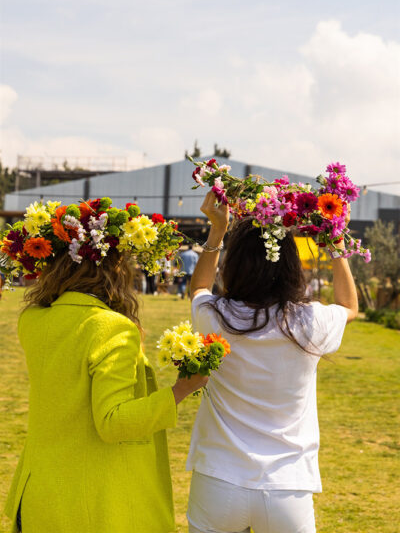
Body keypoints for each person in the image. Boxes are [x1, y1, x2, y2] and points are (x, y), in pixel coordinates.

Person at [4, 201, 207, 533]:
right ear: (114, 269)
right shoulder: (112, 328)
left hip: (39, 495)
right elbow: (113, 422)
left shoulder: (33, 320)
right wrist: (181, 389)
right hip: (91, 504)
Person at [186, 191, 358, 533]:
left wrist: (217, 231)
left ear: (233, 265)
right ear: (290, 263)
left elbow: (199, 287)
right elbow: (350, 306)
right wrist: (336, 239)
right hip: (287, 486)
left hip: (219, 479)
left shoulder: (217, 316)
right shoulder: (309, 321)